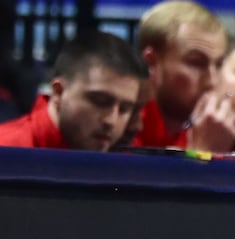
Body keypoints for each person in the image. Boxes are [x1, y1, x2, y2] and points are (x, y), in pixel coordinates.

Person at [0, 31, 146, 151]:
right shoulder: (7, 150)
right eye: (100, 102)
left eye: (125, 109)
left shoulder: (128, 161)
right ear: (58, 92)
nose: (111, 121)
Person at [130, 0, 235, 152]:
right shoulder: (120, 128)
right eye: (196, 63)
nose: (212, 82)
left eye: (218, 65)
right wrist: (203, 153)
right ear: (151, 63)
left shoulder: (220, 133)